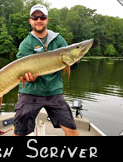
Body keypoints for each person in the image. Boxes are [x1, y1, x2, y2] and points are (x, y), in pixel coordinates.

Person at [13, 4, 79, 136]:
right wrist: (27, 78)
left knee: (71, 129)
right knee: (20, 132)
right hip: (30, 92)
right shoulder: (26, 44)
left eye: (42, 17)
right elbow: (21, 73)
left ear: (47, 20)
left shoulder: (58, 39)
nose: (38, 20)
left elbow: (72, 64)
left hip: (54, 92)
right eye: (35, 17)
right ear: (30, 20)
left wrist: (75, 60)